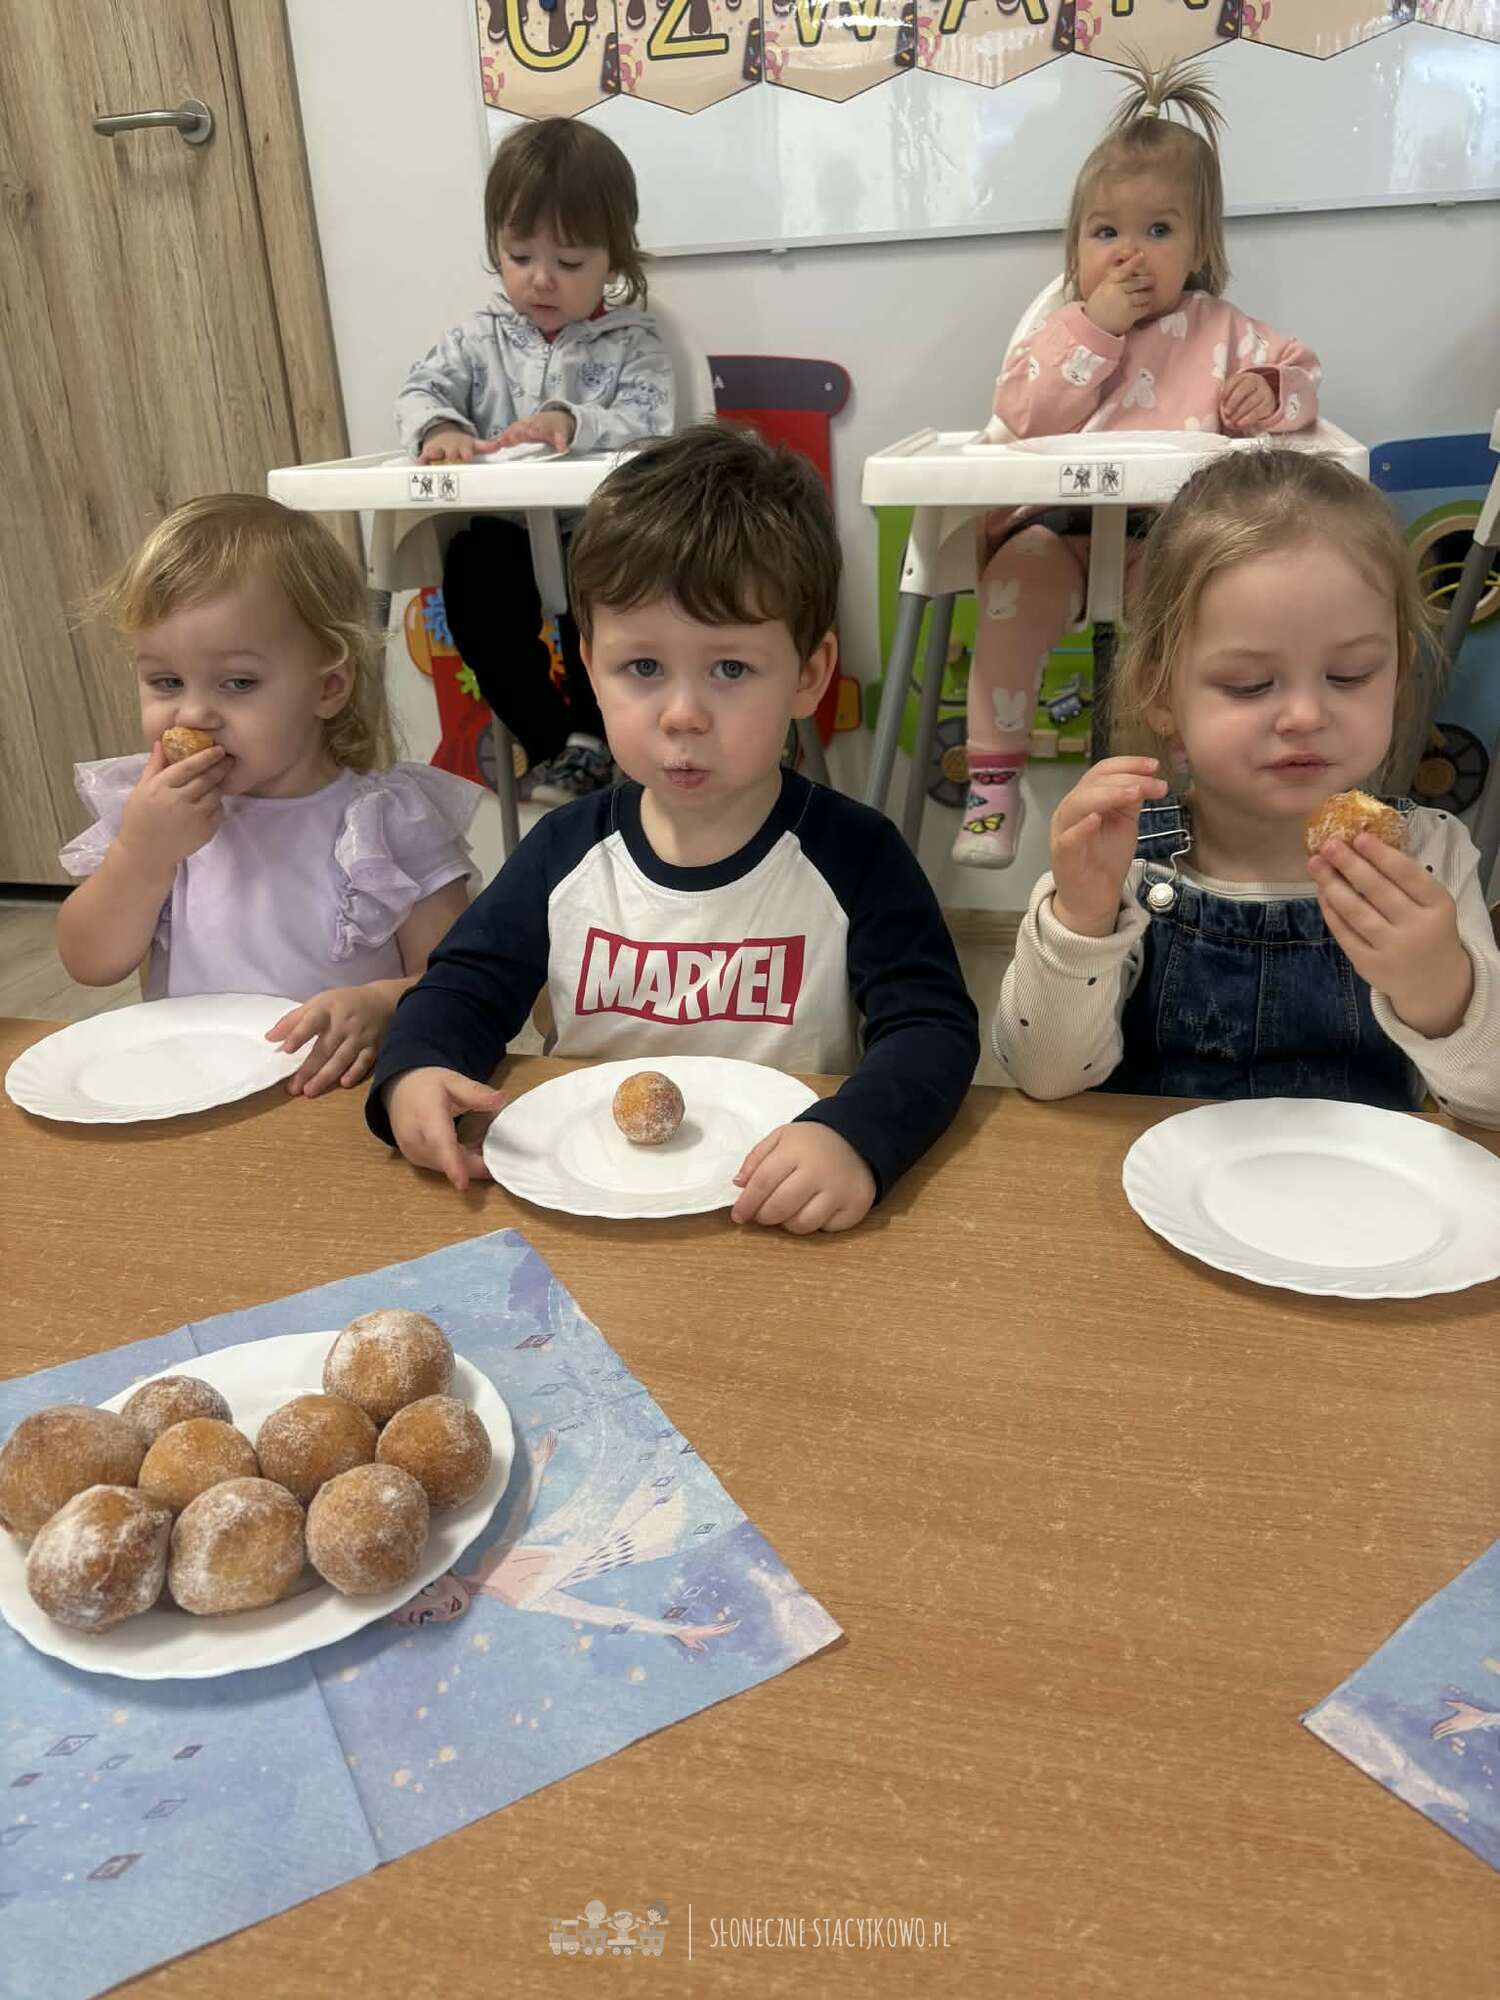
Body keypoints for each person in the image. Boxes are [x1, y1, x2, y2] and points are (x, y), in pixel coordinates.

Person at [368, 424, 980, 1231]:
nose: (683, 714)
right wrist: (415, 1070)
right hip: (587, 1210)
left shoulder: (856, 855)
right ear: (590, 668)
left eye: (730, 668)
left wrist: (859, 1135)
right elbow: (463, 987)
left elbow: (931, 1029)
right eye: (643, 667)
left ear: (809, 675)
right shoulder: (563, 852)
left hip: (777, 1214)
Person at [995, 449, 1500, 1125]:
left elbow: (1490, 1106)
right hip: (1153, 1179)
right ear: (1160, 691)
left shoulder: (1431, 856)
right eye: (1249, 684)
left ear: (1399, 674)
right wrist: (1079, 923)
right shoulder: (1125, 862)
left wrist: (1440, 989)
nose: (1305, 715)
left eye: (1350, 675)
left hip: (1357, 1185)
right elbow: (1044, 1078)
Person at [956, 55, 1320, 868]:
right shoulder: (1060, 330)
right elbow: (1023, 415)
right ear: (1075, 246)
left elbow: (1304, 380)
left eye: (1158, 231)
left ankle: (1193, 779)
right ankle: (992, 786)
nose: (1131, 255)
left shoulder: (1224, 331)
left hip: (1170, 536)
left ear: (1199, 244)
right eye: (1106, 233)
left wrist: (1267, 390)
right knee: (1012, 595)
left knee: (1203, 615)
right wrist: (1096, 328)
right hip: (1058, 528)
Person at [58, 495, 478, 1098]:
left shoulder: (386, 821)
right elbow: (88, 963)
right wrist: (140, 856)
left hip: (335, 1098)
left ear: (328, 687)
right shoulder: (151, 820)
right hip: (189, 1095)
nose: (193, 714)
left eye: (238, 682)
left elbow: (459, 979)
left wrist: (384, 1004)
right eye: (166, 681)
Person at [396, 118, 675, 804]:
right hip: (507, 529)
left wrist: (572, 421)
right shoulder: (476, 341)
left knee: (611, 612)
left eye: (570, 263)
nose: (541, 280)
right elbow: (419, 390)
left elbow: (651, 425)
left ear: (614, 257)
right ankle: (554, 744)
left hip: (600, 528)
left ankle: (595, 737)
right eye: (520, 256)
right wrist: (443, 427)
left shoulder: (635, 342)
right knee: (470, 582)